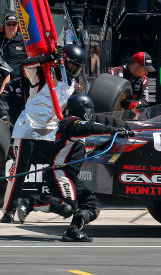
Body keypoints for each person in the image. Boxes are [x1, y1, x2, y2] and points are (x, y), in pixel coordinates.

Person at [16, 94, 131, 242]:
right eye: (89, 110)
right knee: (67, 206)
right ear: (81, 108)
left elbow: (80, 151)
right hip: (60, 172)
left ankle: (73, 230)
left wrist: (102, 146)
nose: (90, 113)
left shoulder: (74, 129)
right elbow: (91, 127)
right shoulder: (71, 123)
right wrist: (115, 130)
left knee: (92, 205)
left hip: (71, 175)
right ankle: (29, 203)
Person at [1, 44, 85, 223]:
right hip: (28, 130)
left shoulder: (74, 86)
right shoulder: (43, 73)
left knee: (61, 168)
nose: (73, 70)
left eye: (76, 67)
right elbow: (24, 65)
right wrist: (46, 59)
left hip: (51, 133)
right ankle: (8, 211)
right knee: (19, 172)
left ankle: (64, 202)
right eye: (71, 65)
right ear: (64, 61)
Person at [0, 14, 28, 125]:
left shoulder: (24, 41)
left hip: (17, 84)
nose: (11, 27)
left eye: (14, 24)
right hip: (2, 80)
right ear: (4, 26)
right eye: (9, 24)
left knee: (15, 115)